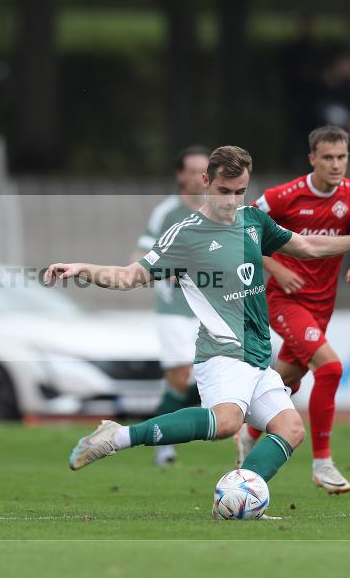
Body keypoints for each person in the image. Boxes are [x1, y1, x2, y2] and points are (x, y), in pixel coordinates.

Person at [44, 146, 350, 515]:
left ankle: (240, 496)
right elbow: (129, 276)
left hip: (256, 354)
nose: (233, 200)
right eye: (225, 192)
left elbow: (308, 246)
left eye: (240, 191)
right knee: (226, 423)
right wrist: (81, 269)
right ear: (206, 182)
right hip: (221, 352)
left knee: (291, 429)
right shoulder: (185, 235)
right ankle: (117, 436)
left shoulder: (253, 220)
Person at [238, 125, 350, 495]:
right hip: (284, 298)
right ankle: (323, 464)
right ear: (312, 158)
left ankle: (250, 430)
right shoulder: (284, 195)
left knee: (289, 378)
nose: (336, 165)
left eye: (342, 157)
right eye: (328, 157)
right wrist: (277, 266)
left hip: (321, 304)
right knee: (330, 368)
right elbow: (243, 229)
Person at [131, 145, 207, 466]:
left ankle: (164, 429)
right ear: (180, 175)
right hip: (174, 309)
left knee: (207, 379)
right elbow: (139, 257)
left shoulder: (220, 211)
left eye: (204, 171)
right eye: (191, 171)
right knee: (180, 376)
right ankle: (162, 442)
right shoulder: (166, 213)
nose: (198, 177)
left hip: (210, 310)